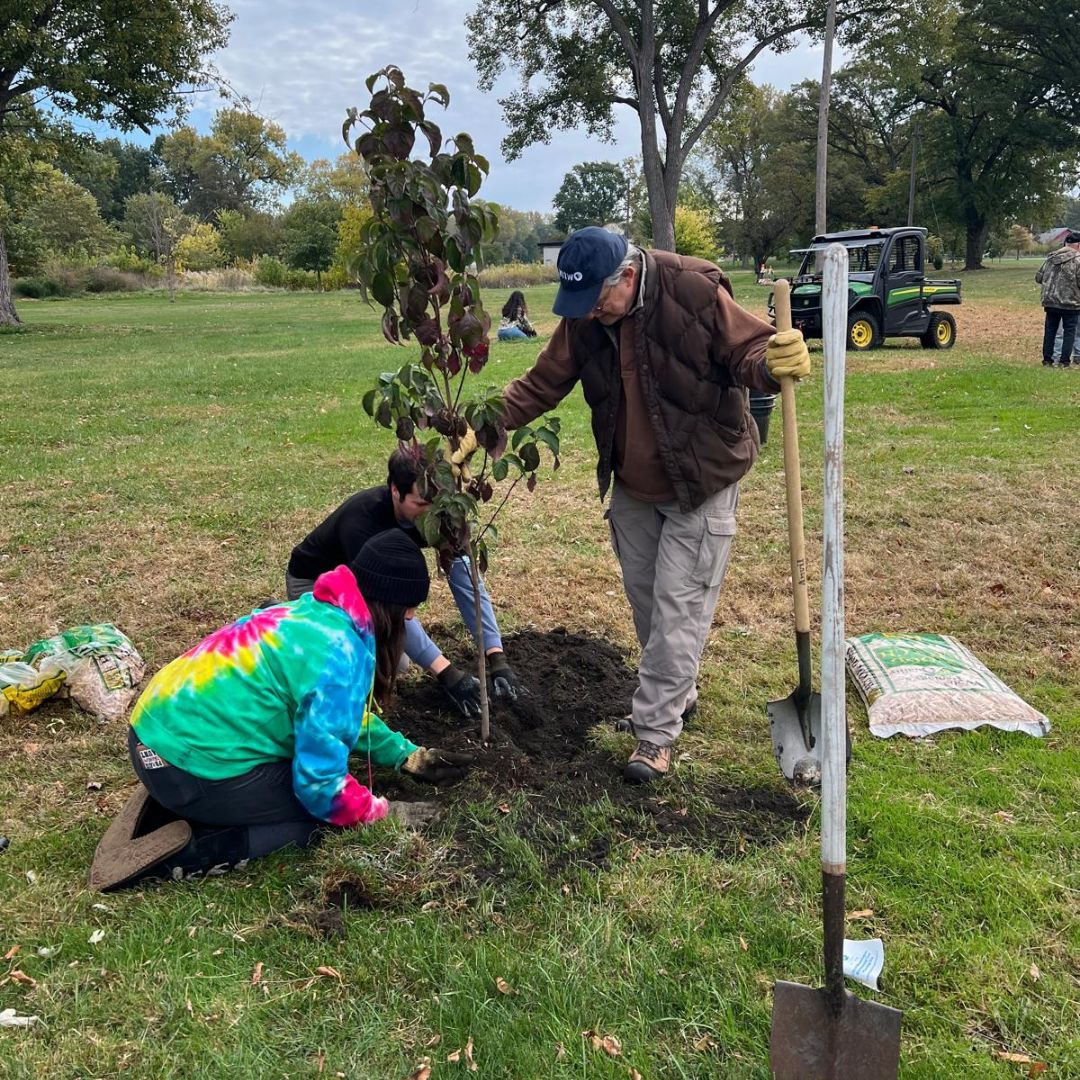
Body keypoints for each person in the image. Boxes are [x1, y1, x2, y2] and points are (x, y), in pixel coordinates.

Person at [498, 226, 810, 784]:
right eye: (582, 304)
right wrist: (485, 424)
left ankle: (655, 735)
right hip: (634, 486)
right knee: (649, 605)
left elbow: (748, 350)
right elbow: (543, 382)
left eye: (598, 300)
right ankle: (677, 692)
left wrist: (772, 362)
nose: (591, 314)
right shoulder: (586, 316)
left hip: (700, 479)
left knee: (676, 611)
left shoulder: (691, 290)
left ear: (628, 276)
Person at [89, 532, 473, 891]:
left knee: (308, 784)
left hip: (152, 736)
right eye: (408, 612)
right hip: (188, 768)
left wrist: (404, 755)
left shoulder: (311, 614)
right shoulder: (338, 654)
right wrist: (383, 813)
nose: (410, 621)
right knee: (320, 817)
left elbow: (334, 717)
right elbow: (321, 788)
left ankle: (173, 799)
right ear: (389, 607)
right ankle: (191, 851)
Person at [286, 449, 524, 717]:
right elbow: (387, 605)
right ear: (395, 491)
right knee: (378, 663)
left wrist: (496, 656)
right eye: (421, 504)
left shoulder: (440, 512)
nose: (430, 511)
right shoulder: (363, 522)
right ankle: (290, 622)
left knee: (395, 659)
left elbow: (465, 578)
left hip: (367, 591)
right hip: (314, 583)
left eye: (436, 502)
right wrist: (448, 674)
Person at [1035, 230, 1080, 367]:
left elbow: (1039, 277)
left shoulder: (1050, 258)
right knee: (1069, 332)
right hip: (1070, 302)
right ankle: (1064, 361)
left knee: (1050, 331)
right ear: (1078, 245)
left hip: (1050, 301)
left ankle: (1047, 359)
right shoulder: (1078, 260)